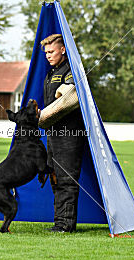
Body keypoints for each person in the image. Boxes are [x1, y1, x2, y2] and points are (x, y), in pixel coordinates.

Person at [41, 34, 86, 233]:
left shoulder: (71, 70)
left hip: (70, 134)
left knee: (66, 179)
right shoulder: (51, 73)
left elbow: (69, 98)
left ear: (63, 50)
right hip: (54, 134)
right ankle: (60, 222)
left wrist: (40, 118)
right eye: (46, 53)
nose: (48, 56)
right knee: (55, 178)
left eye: (51, 52)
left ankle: (66, 225)